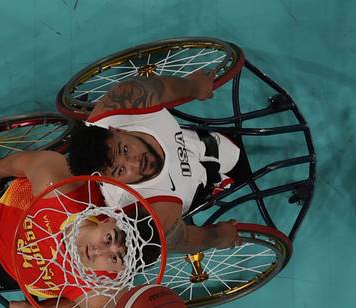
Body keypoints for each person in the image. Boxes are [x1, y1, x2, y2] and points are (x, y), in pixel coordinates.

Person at [0, 150, 160, 308]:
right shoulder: (61, 190)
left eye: (114, 258)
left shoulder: (102, 294)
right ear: (108, 220)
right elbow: (32, 162)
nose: (99, 251)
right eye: (110, 238)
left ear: (119, 271)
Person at [67, 70, 244, 253]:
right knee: (235, 161)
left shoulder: (125, 101)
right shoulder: (153, 211)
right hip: (200, 182)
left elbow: (160, 87)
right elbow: (180, 239)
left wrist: (194, 87)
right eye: (120, 170)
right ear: (106, 179)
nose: (135, 164)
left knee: (229, 150)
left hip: (197, 142)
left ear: (117, 130)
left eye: (125, 150)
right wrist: (217, 236)